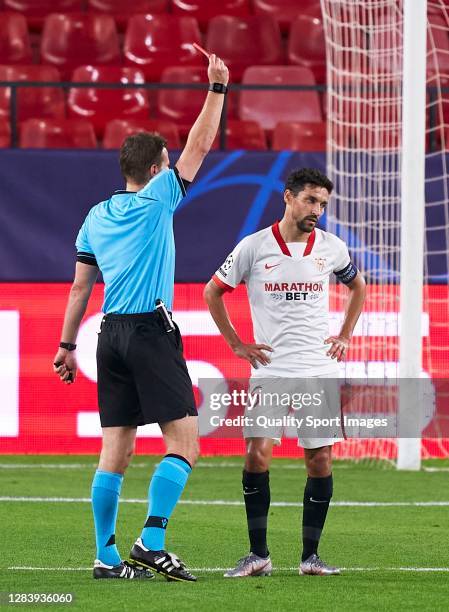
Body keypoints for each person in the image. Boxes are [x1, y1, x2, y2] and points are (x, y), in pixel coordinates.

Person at [53, 54, 229, 582]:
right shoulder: (157, 201)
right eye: (167, 161)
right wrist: (217, 88)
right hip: (151, 331)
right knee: (186, 444)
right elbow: (200, 146)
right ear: (156, 170)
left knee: (117, 450)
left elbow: (81, 285)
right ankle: (151, 542)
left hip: (108, 335)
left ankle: (105, 557)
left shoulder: (95, 215)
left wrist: (66, 346)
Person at [204, 167, 366, 577]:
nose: (318, 210)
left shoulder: (331, 248)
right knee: (257, 455)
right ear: (288, 197)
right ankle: (258, 554)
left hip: (318, 369)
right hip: (272, 370)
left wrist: (345, 334)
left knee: (320, 460)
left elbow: (358, 286)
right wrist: (237, 344)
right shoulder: (255, 247)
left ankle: (311, 558)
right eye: (311, 200)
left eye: (324, 204)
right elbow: (213, 291)